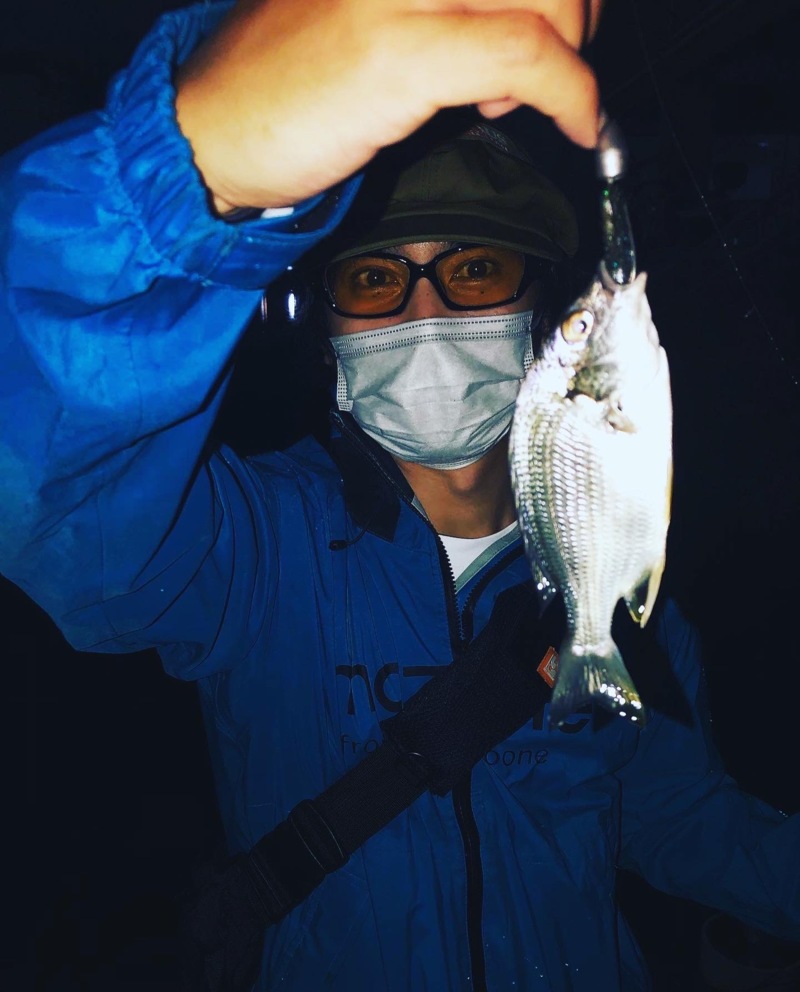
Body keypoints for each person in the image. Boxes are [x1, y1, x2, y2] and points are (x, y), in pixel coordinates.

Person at [1, 1, 797, 990]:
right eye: (376, 279)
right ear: (327, 332)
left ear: (535, 311)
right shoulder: (247, 548)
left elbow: (677, 816)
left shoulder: (623, 576)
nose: (427, 309)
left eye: (475, 269)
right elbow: (40, 486)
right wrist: (188, 171)